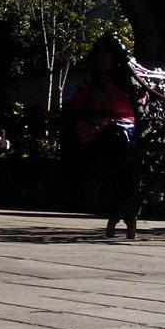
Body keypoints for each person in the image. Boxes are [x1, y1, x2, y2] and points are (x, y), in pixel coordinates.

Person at [68, 36, 138, 209]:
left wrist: (107, 84)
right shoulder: (93, 78)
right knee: (74, 132)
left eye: (107, 53)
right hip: (95, 122)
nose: (102, 58)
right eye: (100, 54)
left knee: (112, 136)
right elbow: (78, 104)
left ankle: (109, 191)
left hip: (122, 122)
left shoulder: (124, 77)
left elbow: (127, 107)